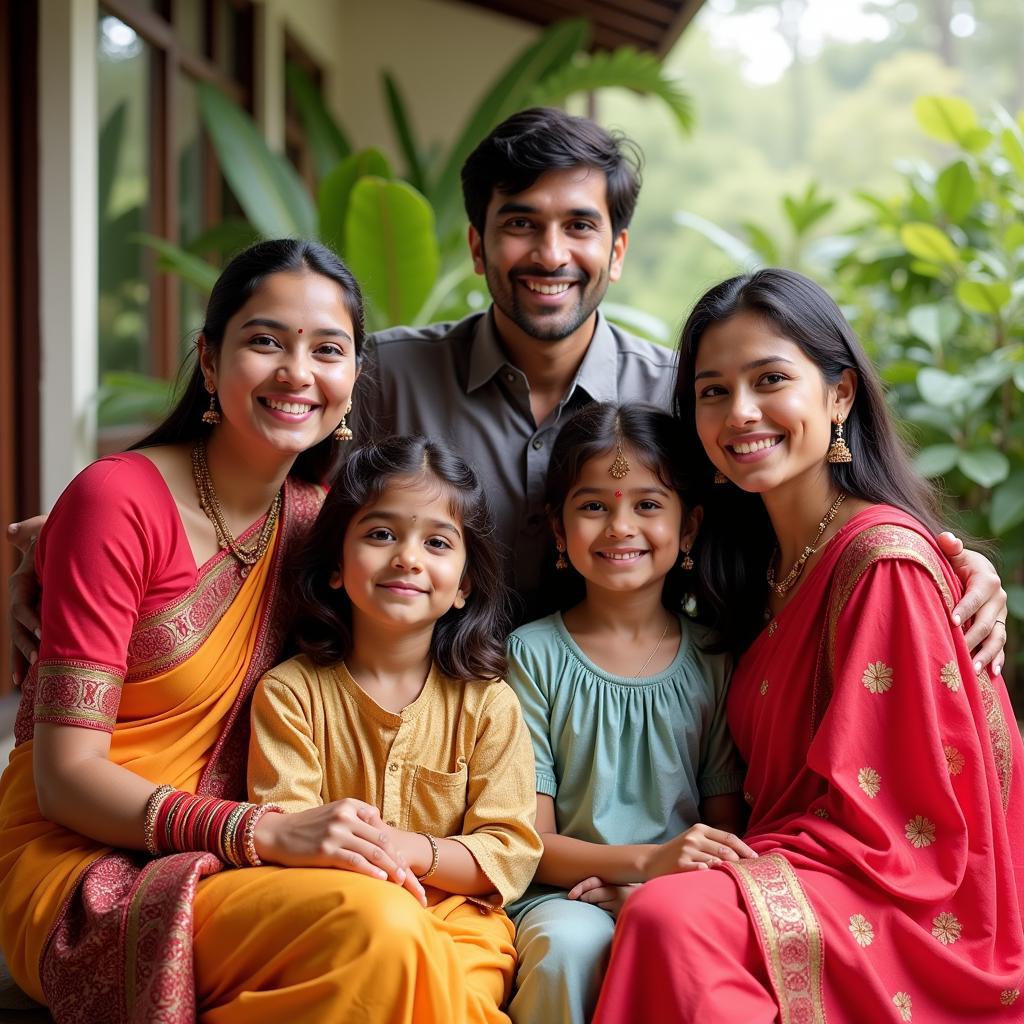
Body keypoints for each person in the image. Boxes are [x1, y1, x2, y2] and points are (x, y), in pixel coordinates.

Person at [9, 107, 1008, 665]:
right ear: (479, 248)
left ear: (615, 252)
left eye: (578, 227)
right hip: (408, 727)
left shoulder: (679, 400)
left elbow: (789, 515)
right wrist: (66, 532)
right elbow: (244, 451)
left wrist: (937, 563)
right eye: (519, 224)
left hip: (623, 730)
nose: (549, 252)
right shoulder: (383, 377)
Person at [0, 239, 524, 1023]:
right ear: (210, 362)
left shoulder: (317, 524)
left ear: (352, 379)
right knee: (377, 929)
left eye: (328, 349)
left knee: (439, 940)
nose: (296, 373)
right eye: (265, 341)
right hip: (84, 868)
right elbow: (64, 778)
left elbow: (432, 569)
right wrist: (262, 830)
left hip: (239, 865)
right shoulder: (119, 502)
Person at [594, 268, 1024, 1023]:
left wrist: (710, 886)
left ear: (840, 395)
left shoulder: (881, 561)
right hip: (798, 863)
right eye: (714, 391)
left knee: (671, 920)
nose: (742, 412)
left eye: (770, 380)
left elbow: (896, 826)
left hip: (899, 895)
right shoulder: (755, 566)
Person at [246, 435, 542, 1022]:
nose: (407, 558)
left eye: (437, 542)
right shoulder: (291, 695)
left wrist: (409, 849)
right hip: (342, 917)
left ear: (464, 586)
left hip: (462, 925)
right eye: (381, 535)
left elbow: (508, 851)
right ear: (335, 564)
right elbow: (287, 829)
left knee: (456, 1001)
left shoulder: (489, 706)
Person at [504, 402, 756, 1024]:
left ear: (689, 528)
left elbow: (726, 831)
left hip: (683, 894)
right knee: (569, 949)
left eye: (647, 504)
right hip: (563, 895)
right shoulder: (531, 656)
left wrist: (654, 890)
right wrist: (643, 864)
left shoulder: (716, 657)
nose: (620, 526)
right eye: (593, 506)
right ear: (559, 532)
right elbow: (530, 843)